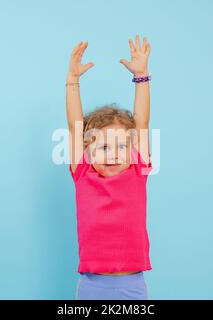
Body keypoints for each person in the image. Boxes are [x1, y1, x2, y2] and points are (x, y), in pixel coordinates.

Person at [66, 35, 152, 300]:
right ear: (87, 150)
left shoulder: (137, 170)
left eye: (121, 147)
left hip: (132, 285)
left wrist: (142, 77)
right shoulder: (83, 173)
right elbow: (74, 126)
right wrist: (73, 79)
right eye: (103, 148)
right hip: (92, 285)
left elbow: (142, 124)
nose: (113, 155)